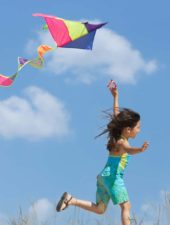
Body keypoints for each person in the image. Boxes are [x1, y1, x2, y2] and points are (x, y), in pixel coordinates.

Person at [56, 82, 149, 225]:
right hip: (113, 178)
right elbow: (129, 150)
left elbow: (116, 115)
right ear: (128, 129)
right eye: (138, 127)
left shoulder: (117, 137)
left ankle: (71, 200)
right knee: (126, 206)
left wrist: (116, 96)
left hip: (103, 178)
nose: (139, 130)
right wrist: (140, 150)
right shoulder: (121, 143)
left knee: (100, 209)